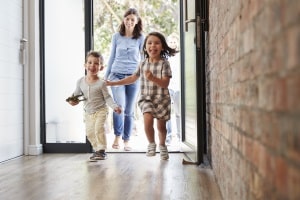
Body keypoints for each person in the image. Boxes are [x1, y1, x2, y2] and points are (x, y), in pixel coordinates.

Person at [106, 32, 178, 160]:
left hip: (162, 99)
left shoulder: (164, 63)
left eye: (157, 43)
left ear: (162, 46)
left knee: (161, 127)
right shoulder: (143, 64)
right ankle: (151, 143)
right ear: (145, 47)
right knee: (147, 120)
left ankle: (162, 145)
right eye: (149, 43)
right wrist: (113, 82)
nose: (153, 46)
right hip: (146, 99)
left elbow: (165, 83)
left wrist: (152, 78)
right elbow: (132, 78)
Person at [67, 50, 122, 161]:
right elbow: (76, 95)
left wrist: (114, 107)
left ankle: (102, 151)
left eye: (96, 63)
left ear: (101, 68)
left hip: (101, 110)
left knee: (98, 129)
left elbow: (107, 98)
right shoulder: (80, 82)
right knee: (90, 132)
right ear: (85, 65)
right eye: (90, 62)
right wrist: (72, 101)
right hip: (88, 112)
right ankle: (97, 150)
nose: (92, 65)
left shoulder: (102, 83)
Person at [104, 8, 144, 151]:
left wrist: (142, 74)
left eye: (132, 19)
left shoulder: (140, 38)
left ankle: (126, 140)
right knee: (118, 107)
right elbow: (111, 57)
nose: (129, 21)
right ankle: (117, 136)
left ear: (137, 21)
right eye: (127, 19)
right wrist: (106, 76)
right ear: (123, 20)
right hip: (116, 75)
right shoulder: (116, 36)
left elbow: (143, 58)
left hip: (133, 77)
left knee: (129, 110)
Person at [166, 33, 181, 145]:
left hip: (178, 87)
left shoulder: (181, 55)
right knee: (167, 113)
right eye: (170, 42)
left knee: (178, 113)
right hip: (167, 87)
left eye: (174, 42)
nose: (172, 44)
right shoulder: (165, 56)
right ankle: (168, 137)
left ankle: (181, 136)